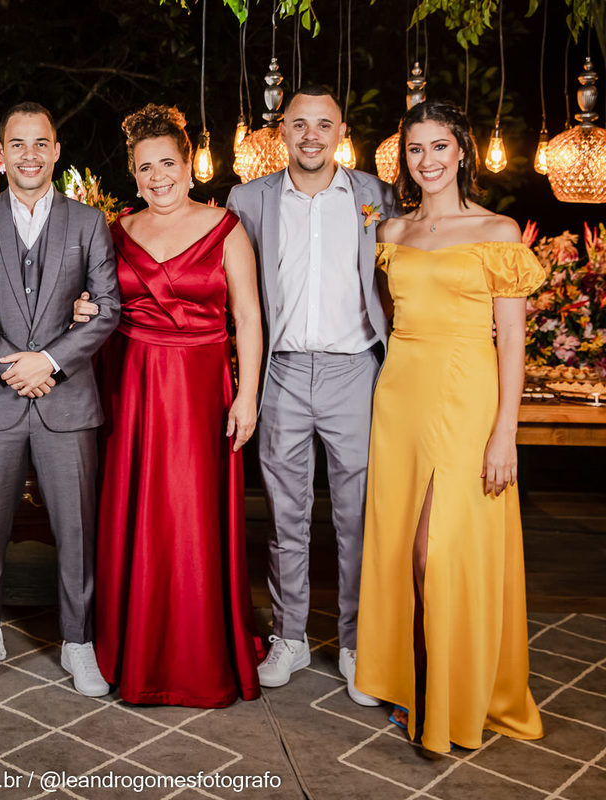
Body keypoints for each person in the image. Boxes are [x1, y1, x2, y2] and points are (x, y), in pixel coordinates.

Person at [355, 100, 544, 752]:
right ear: (403, 158)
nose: (428, 160)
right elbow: (388, 317)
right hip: (400, 398)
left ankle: (459, 694)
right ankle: (418, 680)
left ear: (462, 150)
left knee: (440, 550)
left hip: (469, 396)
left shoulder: (498, 230)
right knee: (402, 548)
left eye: (439, 146)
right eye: (416, 149)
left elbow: (512, 339)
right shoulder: (393, 231)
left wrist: (505, 432)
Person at [72, 104, 265, 707]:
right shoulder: (116, 231)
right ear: (133, 176)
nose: (157, 177)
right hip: (131, 387)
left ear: (188, 166)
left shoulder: (226, 227)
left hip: (202, 389)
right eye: (145, 168)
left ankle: (197, 655)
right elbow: (97, 306)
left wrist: (248, 396)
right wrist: (83, 309)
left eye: (167, 164)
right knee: (136, 512)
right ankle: (135, 649)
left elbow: (249, 317)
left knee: (193, 515)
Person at [0, 102, 120, 698]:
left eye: (41, 143)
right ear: (1, 154)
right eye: (18, 144)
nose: (30, 155)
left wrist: (52, 362)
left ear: (56, 150)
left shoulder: (88, 222)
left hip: (68, 403)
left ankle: (79, 642)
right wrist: (11, 363)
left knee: (77, 533)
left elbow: (108, 308)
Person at [225, 85, 395, 706]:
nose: (311, 135)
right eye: (299, 124)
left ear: (342, 131)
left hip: (357, 372)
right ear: (283, 132)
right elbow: (226, 285)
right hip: (283, 372)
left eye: (324, 124)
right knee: (285, 516)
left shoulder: (377, 197)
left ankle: (356, 642)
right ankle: (289, 637)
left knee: (359, 517)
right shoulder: (249, 200)